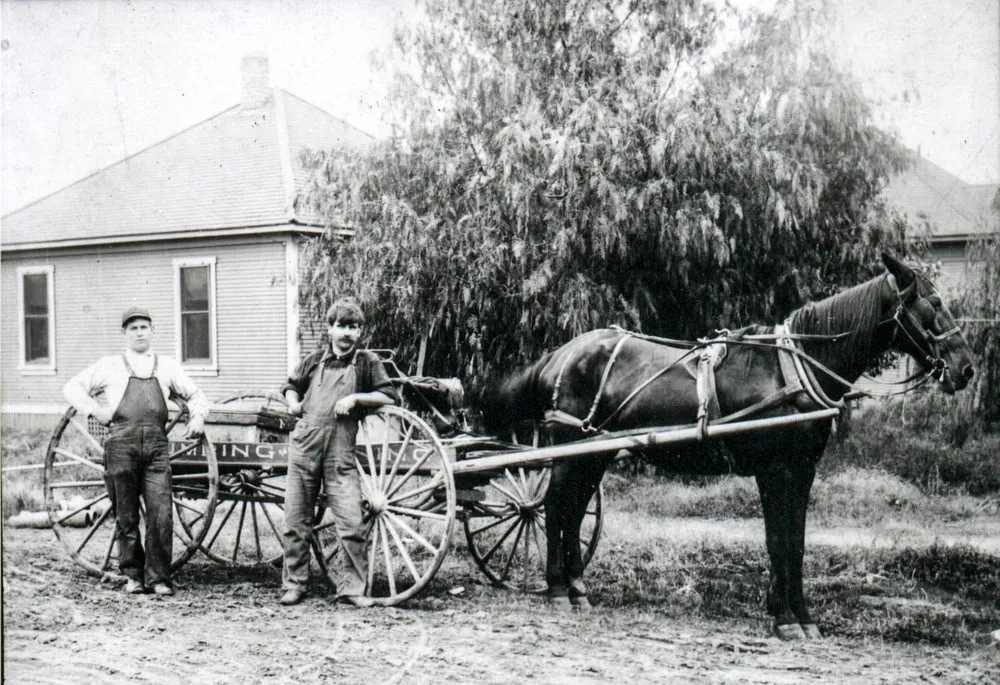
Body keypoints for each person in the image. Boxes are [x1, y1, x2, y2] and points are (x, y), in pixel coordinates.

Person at [63, 306, 208, 597]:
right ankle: (132, 576)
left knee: (160, 514)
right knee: (126, 516)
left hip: (156, 450)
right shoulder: (109, 365)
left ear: (152, 331)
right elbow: (72, 387)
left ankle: (159, 578)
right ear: (124, 333)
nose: (140, 333)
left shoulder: (166, 365)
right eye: (133, 328)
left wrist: (199, 417)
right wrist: (94, 410)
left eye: (144, 327)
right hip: (121, 447)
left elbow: (196, 394)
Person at [279, 298, 397, 607]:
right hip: (304, 447)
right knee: (295, 521)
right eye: (342, 326)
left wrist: (357, 398)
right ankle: (294, 585)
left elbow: (388, 397)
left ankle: (352, 591)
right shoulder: (315, 359)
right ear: (330, 328)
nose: (347, 333)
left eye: (354, 327)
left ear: (360, 333)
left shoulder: (366, 362)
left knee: (352, 523)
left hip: (340, 452)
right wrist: (293, 402)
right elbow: (291, 385)